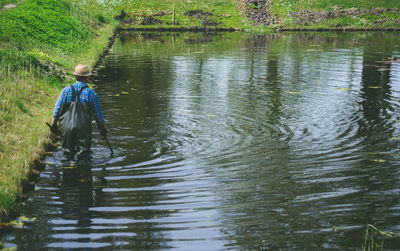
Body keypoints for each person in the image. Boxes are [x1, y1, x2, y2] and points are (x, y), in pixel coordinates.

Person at [50, 64, 107, 160]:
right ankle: (83, 172)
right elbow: (97, 115)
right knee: (84, 156)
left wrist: (53, 124)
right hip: (83, 129)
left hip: (67, 127)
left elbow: (57, 110)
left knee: (67, 155)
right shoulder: (91, 94)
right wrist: (102, 129)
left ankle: (68, 172)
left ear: (75, 76)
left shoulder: (65, 91)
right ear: (87, 78)